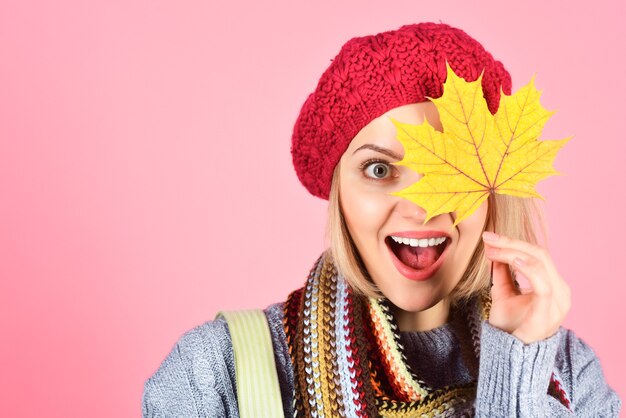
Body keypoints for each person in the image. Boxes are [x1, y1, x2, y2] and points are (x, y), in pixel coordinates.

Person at [142, 22, 621, 417]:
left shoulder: (570, 376)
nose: (423, 206)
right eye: (379, 169)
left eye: (453, 167)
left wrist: (517, 374)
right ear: (340, 195)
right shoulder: (213, 374)